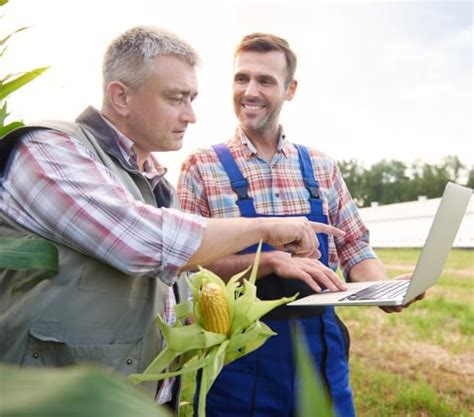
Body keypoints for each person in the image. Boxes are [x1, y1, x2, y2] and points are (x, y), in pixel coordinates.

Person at [0, 27, 342, 407]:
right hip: (62, 402)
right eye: (176, 99)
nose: (191, 115)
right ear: (121, 96)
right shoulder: (50, 151)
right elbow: (142, 241)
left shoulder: (153, 180)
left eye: (192, 98)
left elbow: (183, 277)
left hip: (135, 399)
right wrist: (267, 228)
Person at [178, 32, 423, 417]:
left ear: (290, 89)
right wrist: (269, 261)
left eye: (265, 81)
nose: (249, 91)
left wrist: (386, 291)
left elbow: (355, 248)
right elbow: (188, 263)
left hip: (321, 350)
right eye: (241, 78)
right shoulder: (202, 167)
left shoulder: (321, 167)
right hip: (240, 357)